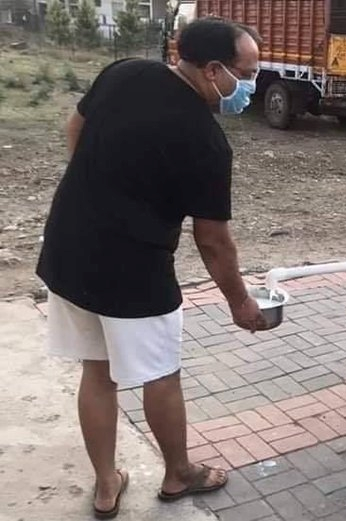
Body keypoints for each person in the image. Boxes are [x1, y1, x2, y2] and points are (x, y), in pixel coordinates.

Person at [36, 17, 267, 519]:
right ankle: (178, 474)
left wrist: (98, 192)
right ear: (212, 70)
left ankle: (105, 485)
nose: (249, 84)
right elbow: (213, 242)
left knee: (97, 372)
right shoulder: (205, 141)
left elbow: (75, 127)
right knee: (161, 375)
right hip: (134, 272)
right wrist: (240, 302)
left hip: (68, 251)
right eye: (246, 73)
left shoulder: (125, 72)